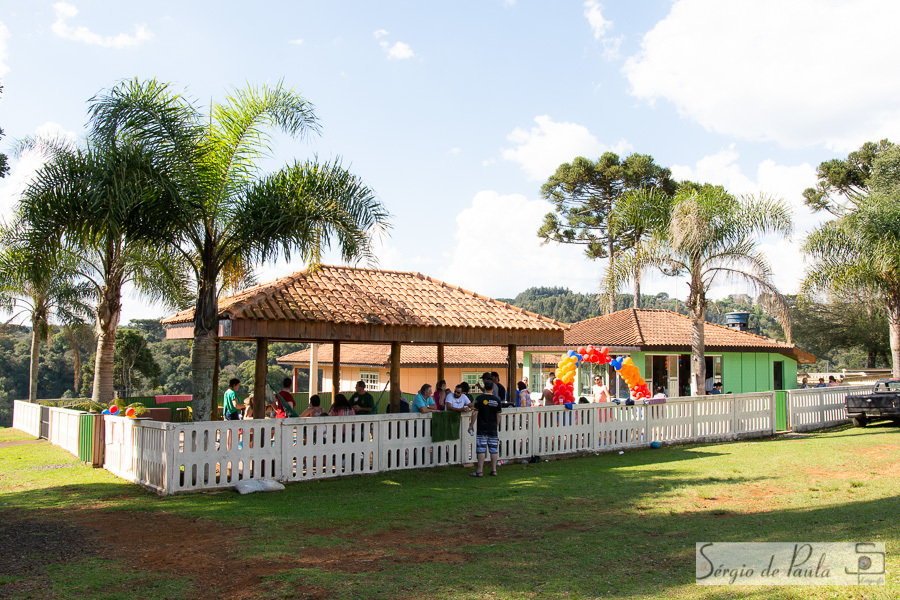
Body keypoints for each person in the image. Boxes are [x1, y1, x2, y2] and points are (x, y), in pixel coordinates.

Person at [468, 380, 502, 477]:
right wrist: (496, 425)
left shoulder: (479, 398)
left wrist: (471, 425)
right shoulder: (497, 400)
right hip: (492, 427)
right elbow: (498, 415)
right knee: (493, 449)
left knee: (481, 449)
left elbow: (475, 413)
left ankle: (479, 471)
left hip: (482, 427)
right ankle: (494, 470)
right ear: (493, 388)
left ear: (484, 387)